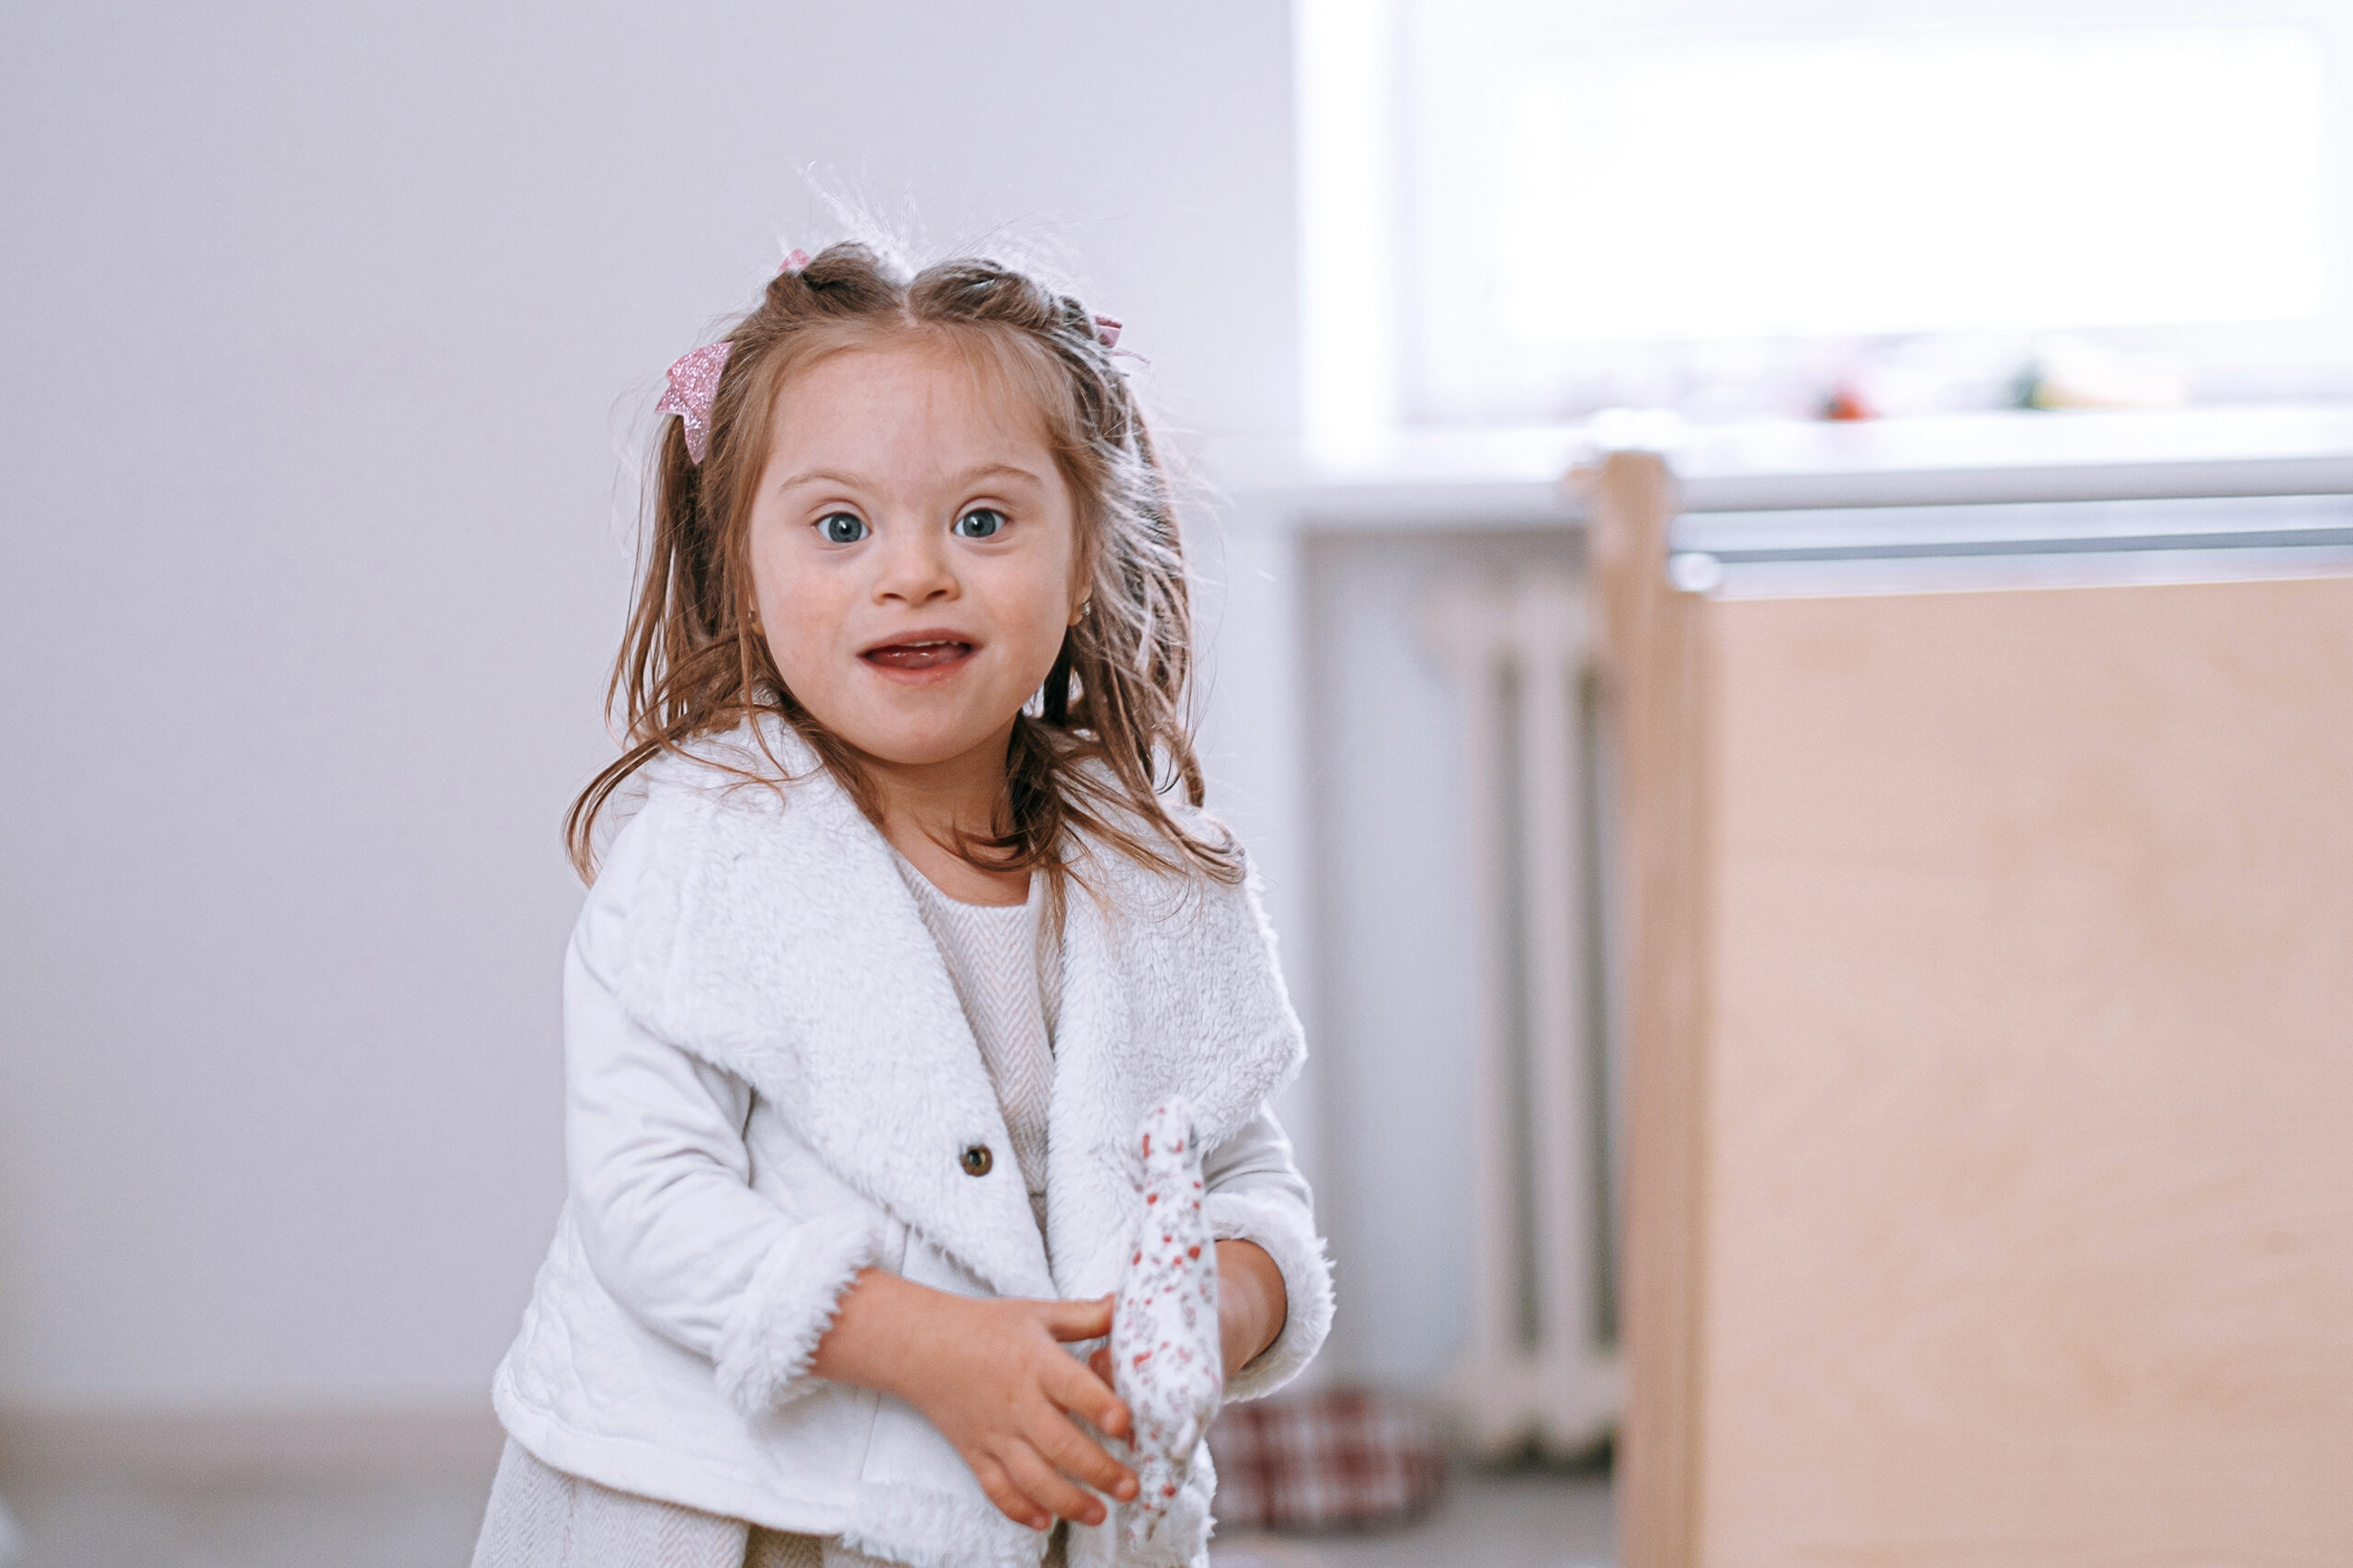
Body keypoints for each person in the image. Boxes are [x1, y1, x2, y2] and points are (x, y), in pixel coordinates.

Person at [473, 242, 1332, 1568]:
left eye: (983, 521)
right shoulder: (703, 860)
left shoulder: (1156, 868)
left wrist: (1216, 1301)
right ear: (741, 566)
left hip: (1053, 1498)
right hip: (754, 1510)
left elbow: (1234, 1161)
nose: (915, 572)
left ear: (1088, 548)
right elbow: (647, 1199)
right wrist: (930, 1347)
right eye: (840, 527)